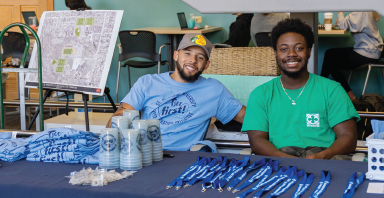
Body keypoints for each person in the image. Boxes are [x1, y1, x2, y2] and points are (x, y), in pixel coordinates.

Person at [242, 18, 359, 160]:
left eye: (299, 48)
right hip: (279, 162)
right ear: (275, 54)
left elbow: (348, 137)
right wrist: (285, 159)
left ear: (309, 52)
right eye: (284, 49)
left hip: (324, 161)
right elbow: (256, 140)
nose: (291, 54)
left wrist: (322, 157)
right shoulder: (261, 94)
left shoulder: (332, 90)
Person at [106, 33, 246, 151]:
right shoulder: (147, 83)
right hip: (145, 154)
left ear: (207, 65)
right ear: (176, 55)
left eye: (200, 57)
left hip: (183, 158)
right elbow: (117, 120)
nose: (192, 60)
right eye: (187, 53)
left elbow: (247, 116)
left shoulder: (214, 90)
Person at [320, 12, 383, 101]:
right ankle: (349, 96)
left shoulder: (362, 11)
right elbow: (345, 23)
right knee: (330, 55)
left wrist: (340, 11)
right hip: (371, 50)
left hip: (367, 52)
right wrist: (343, 22)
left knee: (330, 59)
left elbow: (342, 25)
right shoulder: (368, 10)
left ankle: (320, 90)